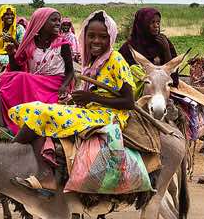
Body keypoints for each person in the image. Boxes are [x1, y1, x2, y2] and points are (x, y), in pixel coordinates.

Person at [8, 10, 135, 195]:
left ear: (111, 37)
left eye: (102, 37)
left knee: (42, 112)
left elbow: (129, 102)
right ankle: (28, 162)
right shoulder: (93, 61)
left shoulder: (115, 59)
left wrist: (91, 98)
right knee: (37, 110)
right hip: (93, 111)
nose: (96, 41)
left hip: (110, 116)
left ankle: (9, 157)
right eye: (91, 36)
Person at [0, 8, 74, 134]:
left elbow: (70, 71)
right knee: (15, 79)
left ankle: (21, 128)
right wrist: (11, 55)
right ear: (41, 23)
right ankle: (14, 122)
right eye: (53, 20)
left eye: (58, 20)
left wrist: (64, 86)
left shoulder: (62, 43)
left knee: (24, 79)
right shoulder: (30, 44)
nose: (58, 23)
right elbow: (16, 69)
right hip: (34, 85)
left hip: (54, 86)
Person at [119, 7, 179, 85]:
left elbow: (173, 77)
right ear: (142, 25)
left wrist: (166, 50)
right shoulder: (129, 47)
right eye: (152, 22)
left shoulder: (163, 42)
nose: (156, 26)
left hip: (163, 87)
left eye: (158, 22)